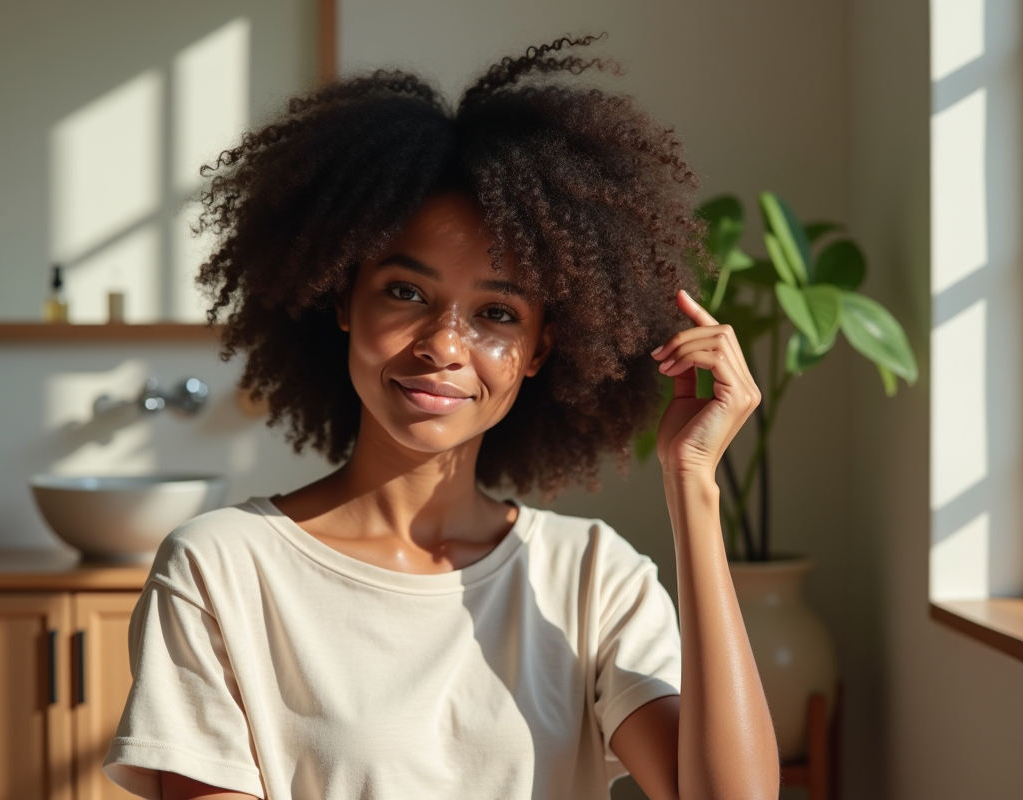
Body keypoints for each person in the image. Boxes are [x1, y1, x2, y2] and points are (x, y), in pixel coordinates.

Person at [103, 35, 779, 800]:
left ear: (536, 348)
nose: (444, 346)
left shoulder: (591, 576)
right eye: (404, 292)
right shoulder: (220, 568)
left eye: (495, 311)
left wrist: (693, 485)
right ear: (341, 300)